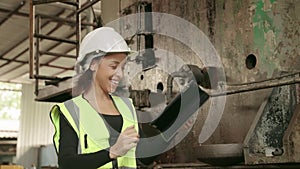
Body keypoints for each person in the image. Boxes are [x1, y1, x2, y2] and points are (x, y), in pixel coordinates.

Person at [50, 27, 142, 169]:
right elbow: (67, 163)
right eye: (113, 66)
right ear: (93, 64)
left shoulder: (127, 106)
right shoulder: (71, 110)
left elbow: (140, 156)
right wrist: (112, 152)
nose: (120, 75)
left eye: (122, 68)